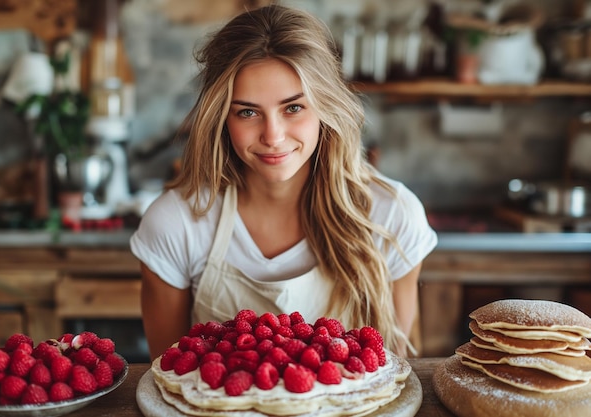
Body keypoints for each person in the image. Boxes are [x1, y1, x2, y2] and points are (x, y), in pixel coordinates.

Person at [130, 4, 437, 360]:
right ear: (221, 118)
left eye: (293, 108)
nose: (273, 136)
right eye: (247, 112)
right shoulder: (176, 223)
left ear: (325, 106)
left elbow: (390, 374)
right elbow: (168, 377)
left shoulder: (392, 216)